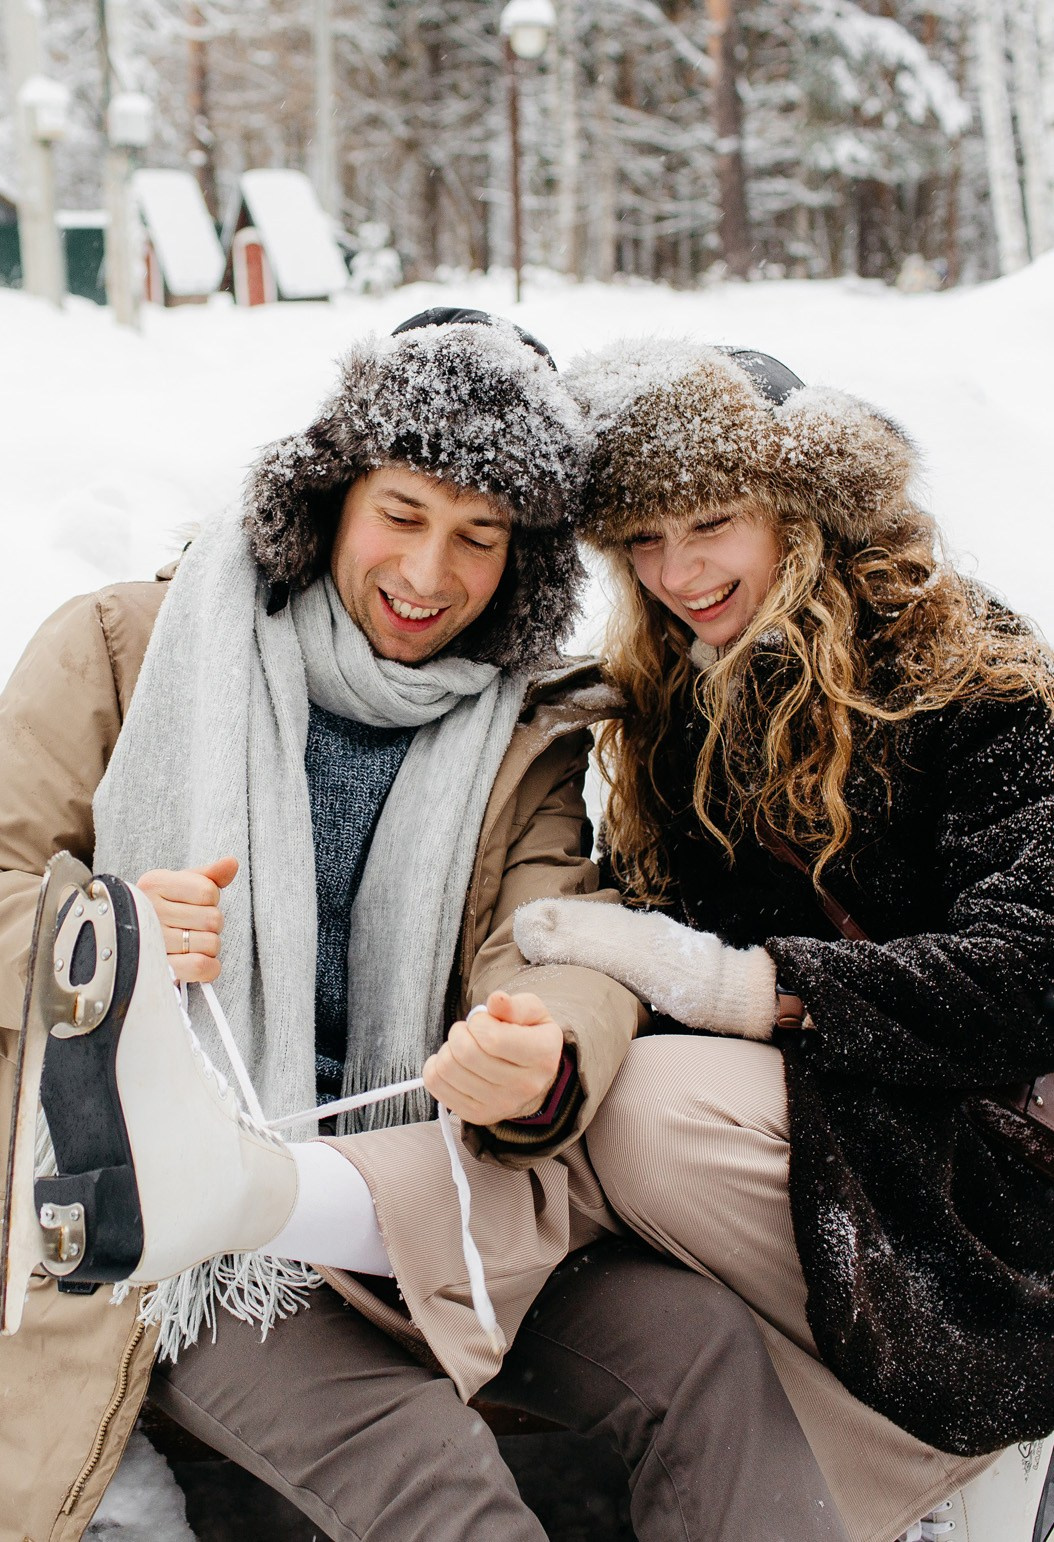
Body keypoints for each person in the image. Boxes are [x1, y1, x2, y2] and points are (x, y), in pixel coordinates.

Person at [0, 313, 848, 1542]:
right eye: (401, 514)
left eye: (481, 537)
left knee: (704, 1353)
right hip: (178, 1220)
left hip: (401, 1195)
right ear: (330, 495)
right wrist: (103, 931)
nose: (429, 574)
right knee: (426, 1473)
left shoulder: (519, 732)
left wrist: (540, 1052)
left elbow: (559, 930)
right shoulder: (126, 651)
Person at [514, 340, 1054, 1542]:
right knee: (600, 1113)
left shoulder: (960, 665)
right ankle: (901, 1468)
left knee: (647, 1113)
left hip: (1000, 1126)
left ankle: (973, 1434)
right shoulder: (678, 686)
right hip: (859, 1104)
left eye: (712, 521)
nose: (680, 570)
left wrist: (743, 990)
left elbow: (1036, 968)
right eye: (641, 541)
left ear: (802, 506)